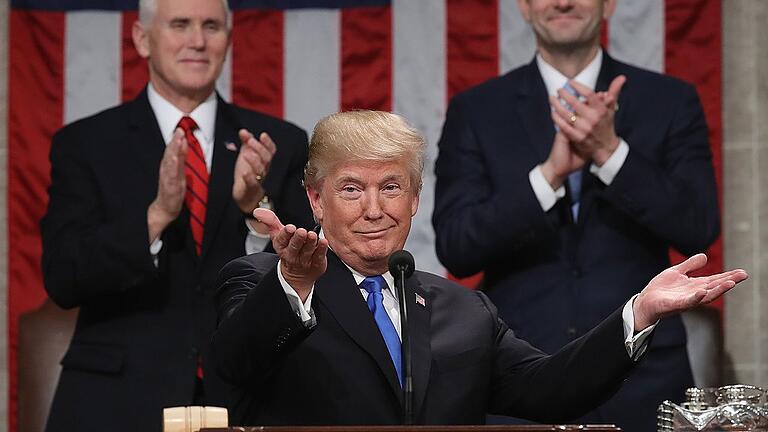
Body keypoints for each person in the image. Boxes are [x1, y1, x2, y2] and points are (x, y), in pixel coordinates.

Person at [212, 110, 744, 426]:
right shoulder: (262, 283)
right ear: (316, 200)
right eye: (352, 189)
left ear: (416, 199)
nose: (374, 209)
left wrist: (641, 311)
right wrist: (295, 284)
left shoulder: (463, 309)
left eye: (391, 187)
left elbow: (550, 389)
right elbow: (232, 367)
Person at [431, 0, 720, 430]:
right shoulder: (477, 109)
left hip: (642, 379)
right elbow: (456, 246)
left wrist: (609, 153)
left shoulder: (670, 100)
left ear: (610, 5)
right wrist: (548, 177)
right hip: (521, 379)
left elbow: (699, 228)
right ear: (525, 8)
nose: (563, 2)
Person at [40, 0, 313, 430]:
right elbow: (63, 277)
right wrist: (155, 217)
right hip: (118, 400)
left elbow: (310, 281)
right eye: (180, 25)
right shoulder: (86, 144)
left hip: (247, 397)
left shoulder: (279, 143)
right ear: (142, 39)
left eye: (211, 26)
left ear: (228, 37)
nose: (198, 41)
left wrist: (255, 211)